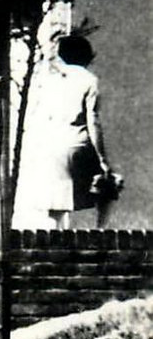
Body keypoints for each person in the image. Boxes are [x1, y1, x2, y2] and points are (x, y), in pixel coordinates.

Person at [41, 32, 114, 228]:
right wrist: (103, 159)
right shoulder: (90, 80)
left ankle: (57, 239)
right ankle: (100, 232)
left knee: (57, 201)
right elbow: (93, 121)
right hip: (79, 143)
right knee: (108, 185)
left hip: (54, 145)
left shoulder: (52, 81)